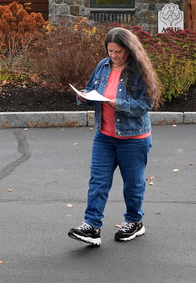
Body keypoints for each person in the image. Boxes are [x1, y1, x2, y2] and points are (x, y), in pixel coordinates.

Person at [68, 27, 161, 246]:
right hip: (104, 136)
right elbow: (92, 90)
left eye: (118, 51)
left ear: (129, 49)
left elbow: (147, 103)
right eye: (110, 51)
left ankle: (135, 222)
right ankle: (92, 226)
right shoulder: (103, 66)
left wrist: (118, 104)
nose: (113, 55)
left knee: (132, 183)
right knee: (98, 181)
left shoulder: (139, 70)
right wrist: (83, 97)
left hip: (133, 138)